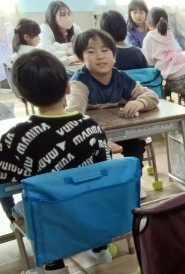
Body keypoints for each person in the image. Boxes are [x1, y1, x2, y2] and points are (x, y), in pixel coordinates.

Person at [0, 50, 112, 274]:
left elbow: (5, 174)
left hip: (50, 215)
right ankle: (100, 248)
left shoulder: (17, 137)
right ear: (68, 88)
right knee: (90, 191)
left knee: (12, 197)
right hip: (92, 210)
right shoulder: (91, 127)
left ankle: (53, 264)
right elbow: (105, 167)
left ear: (22, 96)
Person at [65, 29, 158, 184]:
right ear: (81, 58)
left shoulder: (120, 78)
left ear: (114, 56)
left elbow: (152, 96)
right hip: (92, 137)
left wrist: (139, 102)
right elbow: (74, 113)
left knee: (135, 144)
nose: (100, 56)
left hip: (120, 132)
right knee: (99, 159)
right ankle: (106, 187)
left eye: (105, 50)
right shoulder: (80, 82)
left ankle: (132, 183)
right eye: (91, 52)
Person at [142, 7, 185, 108]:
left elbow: (148, 62)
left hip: (174, 76)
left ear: (149, 23)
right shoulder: (169, 33)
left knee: (164, 94)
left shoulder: (149, 37)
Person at [38, 0, 81, 65]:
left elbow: (84, 43)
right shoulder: (45, 28)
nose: (68, 18)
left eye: (69, 14)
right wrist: (67, 46)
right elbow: (45, 51)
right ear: (53, 18)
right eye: (63, 15)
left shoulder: (74, 27)